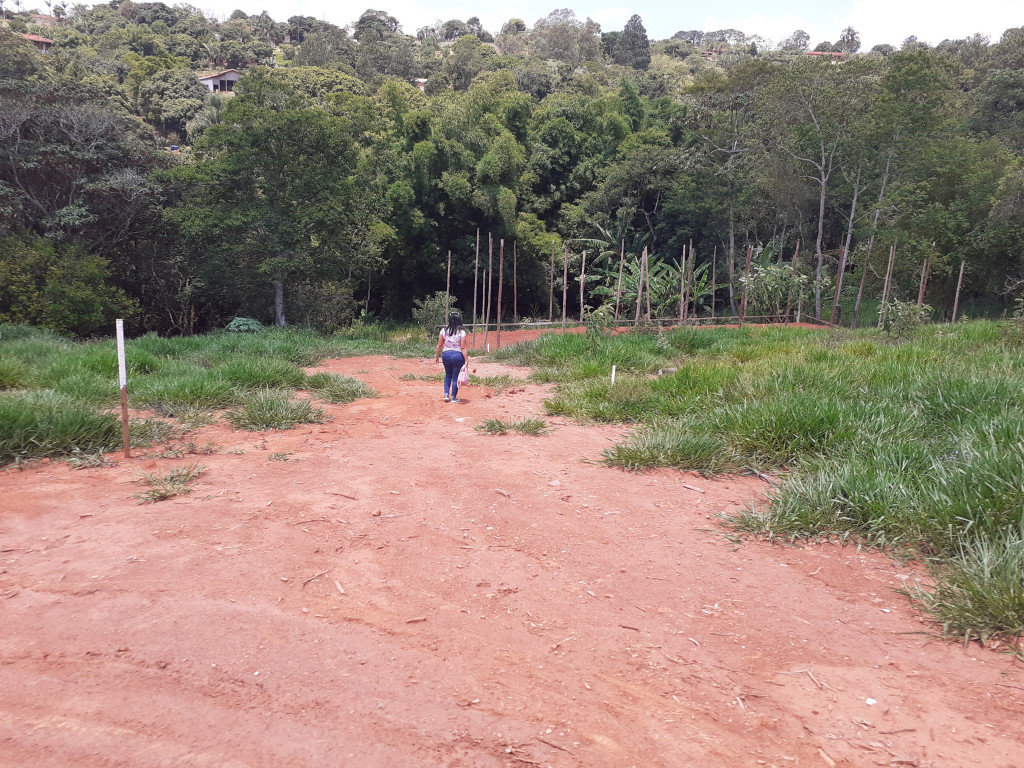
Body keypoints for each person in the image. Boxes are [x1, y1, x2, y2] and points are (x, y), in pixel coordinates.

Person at [434, 311, 468, 403]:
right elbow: (463, 347)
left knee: (448, 375)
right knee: (455, 376)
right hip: (458, 355)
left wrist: (436, 356)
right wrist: (466, 360)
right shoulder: (462, 332)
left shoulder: (443, 330)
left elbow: (439, 345)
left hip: (446, 354)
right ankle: (453, 397)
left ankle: (446, 395)